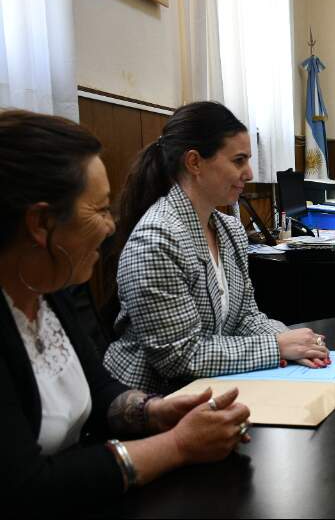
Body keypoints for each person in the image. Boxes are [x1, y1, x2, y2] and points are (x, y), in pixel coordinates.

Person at [0, 110, 252, 513]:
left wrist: (152, 411)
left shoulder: (51, 294)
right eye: (98, 210)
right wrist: (176, 444)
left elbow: (100, 391)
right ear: (41, 223)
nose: (110, 226)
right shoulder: (155, 237)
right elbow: (25, 487)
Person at [104, 102, 329, 393]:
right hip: (151, 402)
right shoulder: (157, 239)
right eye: (238, 161)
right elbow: (179, 357)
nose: (249, 173)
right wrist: (276, 345)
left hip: (209, 388)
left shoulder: (229, 229)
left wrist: (298, 341)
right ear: (194, 162)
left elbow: (245, 317)